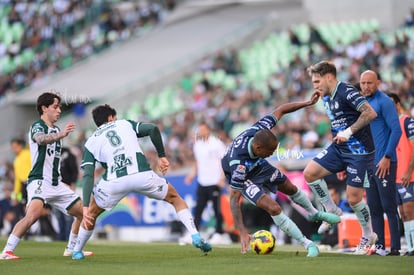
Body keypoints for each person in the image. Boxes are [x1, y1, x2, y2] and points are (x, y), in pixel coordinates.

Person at [71, 104, 211, 260]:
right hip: (141, 175)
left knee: (91, 214)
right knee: (175, 199)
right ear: (111, 118)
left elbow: (88, 175)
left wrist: (85, 207)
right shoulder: (124, 123)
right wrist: (161, 156)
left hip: (114, 182)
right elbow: (152, 129)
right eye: (114, 117)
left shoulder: (91, 142)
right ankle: (195, 235)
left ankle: (77, 251)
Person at [221, 91, 341, 257]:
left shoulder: (260, 128)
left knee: (290, 187)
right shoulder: (238, 165)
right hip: (246, 176)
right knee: (274, 207)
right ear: (258, 149)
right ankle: (307, 243)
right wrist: (242, 231)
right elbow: (234, 199)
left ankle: (314, 214)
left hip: (257, 164)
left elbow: (281, 109)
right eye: (270, 151)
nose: (272, 154)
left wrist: (306, 103)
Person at [0, 92, 93, 260]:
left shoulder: (56, 129)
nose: (59, 111)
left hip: (56, 184)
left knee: (84, 213)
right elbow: (40, 139)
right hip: (39, 181)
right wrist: (61, 135)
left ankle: (71, 248)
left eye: (59, 108)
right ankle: (7, 251)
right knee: (32, 216)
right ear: (44, 108)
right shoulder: (38, 126)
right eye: (55, 107)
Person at [303, 61, 378, 255]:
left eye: (317, 81)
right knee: (310, 173)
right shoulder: (325, 96)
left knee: (354, 199)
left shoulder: (345, 90)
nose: (315, 86)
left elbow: (370, 113)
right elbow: (338, 120)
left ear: (329, 77)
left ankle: (368, 234)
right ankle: (332, 211)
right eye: (313, 82)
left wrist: (349, 131)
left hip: (359, 152)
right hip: (339, 148)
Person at [359, 70, 402, 256]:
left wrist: (387, 156)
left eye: (370, 82)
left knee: (389, 206)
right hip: (369, 164)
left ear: (378, 82)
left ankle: (395, 248)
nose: (366, 86)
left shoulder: (384, 102)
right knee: (374, 208)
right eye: (363, 83)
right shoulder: (362, 104)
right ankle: (380, 247)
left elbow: (396, 130)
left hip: (385, 163)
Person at [183, 122, 231, 245]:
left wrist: (222, 178)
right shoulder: (197, 145)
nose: (201, 132)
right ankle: (194, 233)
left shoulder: (217, 144)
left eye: (203, 129)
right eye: (199, 130)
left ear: (208, 130)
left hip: (214, 181)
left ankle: (219, 234)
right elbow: (197, 162)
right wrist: (192, 174)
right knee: (198, 209)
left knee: (217, 209)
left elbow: (224, 161)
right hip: (202, 181)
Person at [388, 93, 414, 256]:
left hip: (408, 176)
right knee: (403, 213)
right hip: (396, 178)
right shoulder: (390, 125)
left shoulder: (407, 122)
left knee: (410, 211)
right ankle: (411, 248)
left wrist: (408, 171)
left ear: (398, 105)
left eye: (392, 104)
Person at [54, 147, 79, 241]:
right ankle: (62, 236)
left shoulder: (67, 155)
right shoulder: (52, 153)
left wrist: (72, 183)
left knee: (67, 214)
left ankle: (68, 237)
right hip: (56, 187)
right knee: (59, 214)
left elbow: (74, 170)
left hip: (65, 187)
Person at [9, 138, 31, 224]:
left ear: (20, 146)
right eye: (12, 148)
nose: (14, 149)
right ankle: (27, 232)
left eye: (15, 147)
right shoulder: (16, 160)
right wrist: (15, 196)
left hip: (31, 183)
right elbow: (17, 180)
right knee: (22, 206)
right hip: (23, 186)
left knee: (32, 207)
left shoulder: (28, 154)